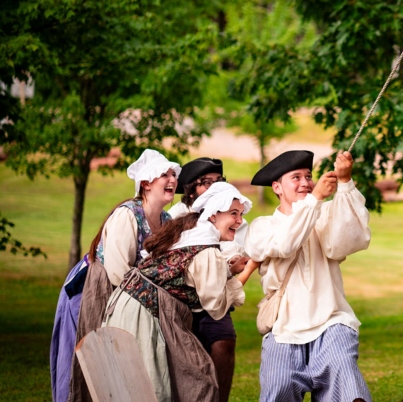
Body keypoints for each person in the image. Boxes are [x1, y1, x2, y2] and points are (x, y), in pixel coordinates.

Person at [102, 182, 253, 402]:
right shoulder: (204, 245)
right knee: (159, 387)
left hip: (137, 307)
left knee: (176, 380)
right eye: (233, 213)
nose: (239, 221)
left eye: (240, 214)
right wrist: (249, 270)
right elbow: (216, 305)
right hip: (143, 313)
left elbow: (192, 275)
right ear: (212, 215)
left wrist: (229, 270)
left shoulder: (194, 233)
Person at [51, 148, 181, 402]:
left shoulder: (166, 220)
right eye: (164, 174)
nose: (173, 180)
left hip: (132, 293)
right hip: (97, 289)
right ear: (145, 182)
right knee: (94, 355)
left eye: (173, 174)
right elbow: (118, 271)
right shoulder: (127, 214)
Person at [244, 150, 372, 402]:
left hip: (331, 320)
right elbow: (285, 244)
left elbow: (347, 242)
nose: (305, 182)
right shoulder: (261, 227)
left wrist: (345, 182)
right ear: (277, 187)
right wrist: (314, 199)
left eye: (309, 176)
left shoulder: (323, 214)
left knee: (346, 383)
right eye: (296, 177)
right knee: (278, 389)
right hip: (283, 329)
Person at [167, 157, 251, 401]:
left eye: (218, 181)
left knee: (224, 341)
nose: (214, 187)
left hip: (216, 296)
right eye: (206, 182)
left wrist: (234, 269)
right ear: (190, 189)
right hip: (179, 300)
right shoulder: (176, 217)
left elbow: (235, 255)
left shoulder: (230, 218)